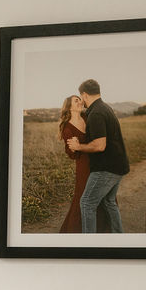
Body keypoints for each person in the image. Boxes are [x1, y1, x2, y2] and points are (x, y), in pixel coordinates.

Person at [67, 79, 129, 233]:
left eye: (81, 98)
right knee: (109, 202)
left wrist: (78, 146)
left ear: (84, 94)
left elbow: (100, 145)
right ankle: (118, 237)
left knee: (87, 203)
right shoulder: (105, 108)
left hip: (106, 168)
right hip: (119, 166)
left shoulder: (96, 113)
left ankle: (89, 244)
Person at [57, 95, 110, 233]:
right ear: (69, 107)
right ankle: (76, 232)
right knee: (84, 197)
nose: (80, 102)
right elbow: (72, 154)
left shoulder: (88, 118)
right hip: (85, 167)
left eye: (80, 99)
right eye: (76, 101)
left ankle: (103, 231)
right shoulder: (67, 128)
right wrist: (74, 147)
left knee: (103, 195)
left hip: (100, 162)